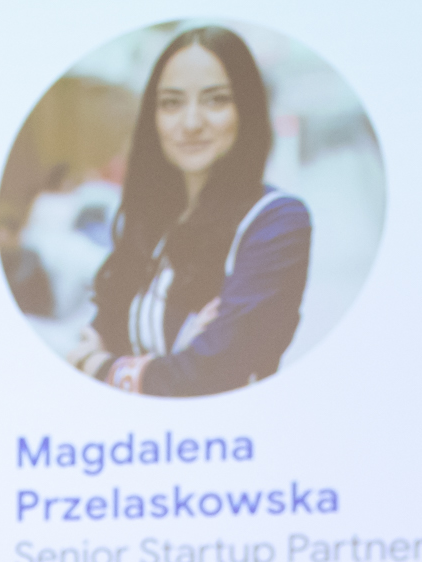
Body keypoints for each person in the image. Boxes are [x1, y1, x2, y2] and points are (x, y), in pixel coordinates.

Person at [70, 25, 310, 396]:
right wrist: (162, 366)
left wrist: (100, 366)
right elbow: (96, 333)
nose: (191, 122)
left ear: (245, 109)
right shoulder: (150, 219)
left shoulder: (275, 222)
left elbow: (210, 374)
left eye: (216, 100)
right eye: (171, 103)